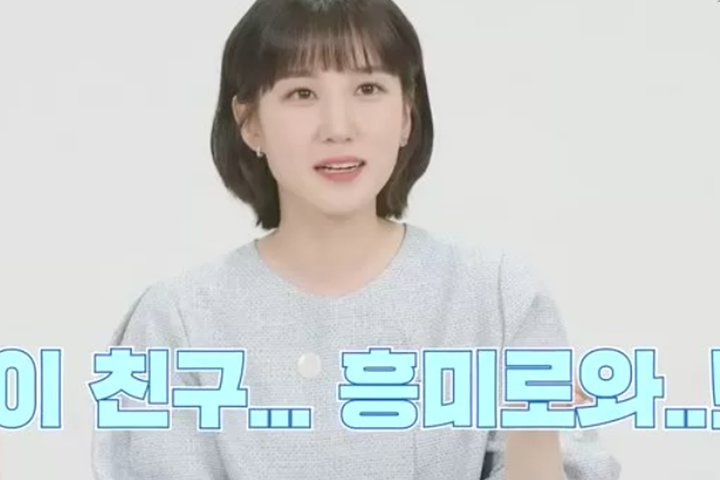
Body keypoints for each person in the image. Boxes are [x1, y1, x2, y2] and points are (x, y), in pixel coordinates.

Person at [91, 0, 622, 478]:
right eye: (301, 93)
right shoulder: (179, 321)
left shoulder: (497, 295)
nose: (338, 127)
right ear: (250, 122)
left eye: (368, 89)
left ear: (407, 113)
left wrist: (534, 431)